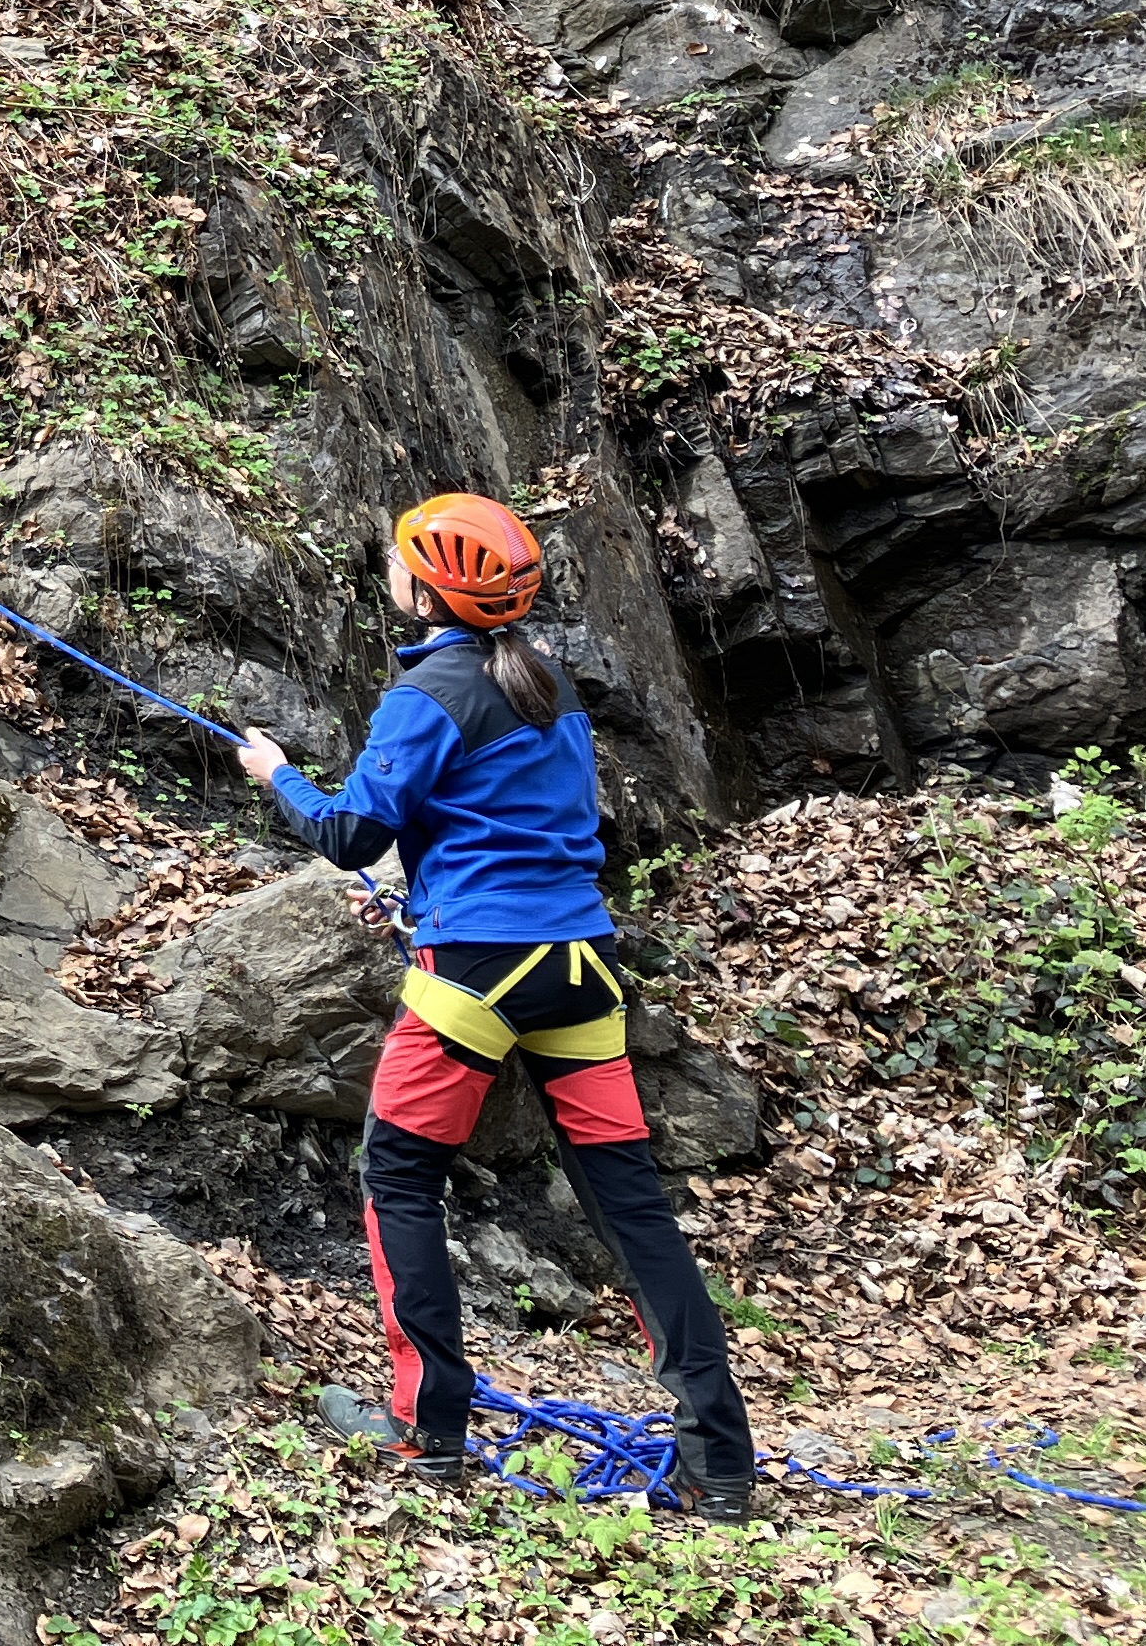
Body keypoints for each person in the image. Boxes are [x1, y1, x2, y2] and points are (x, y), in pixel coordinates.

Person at [233, 492, 758, 1521]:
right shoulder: (546, 681)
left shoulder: (430, 690)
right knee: (632, 1208)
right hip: (578, 967)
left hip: (478, 968)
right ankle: (721, 1463)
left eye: (398, 559)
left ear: (426, 588)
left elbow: (348, 832)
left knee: (399, 1171)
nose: (388, 565)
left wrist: (278, 774)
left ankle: (427, 1430)